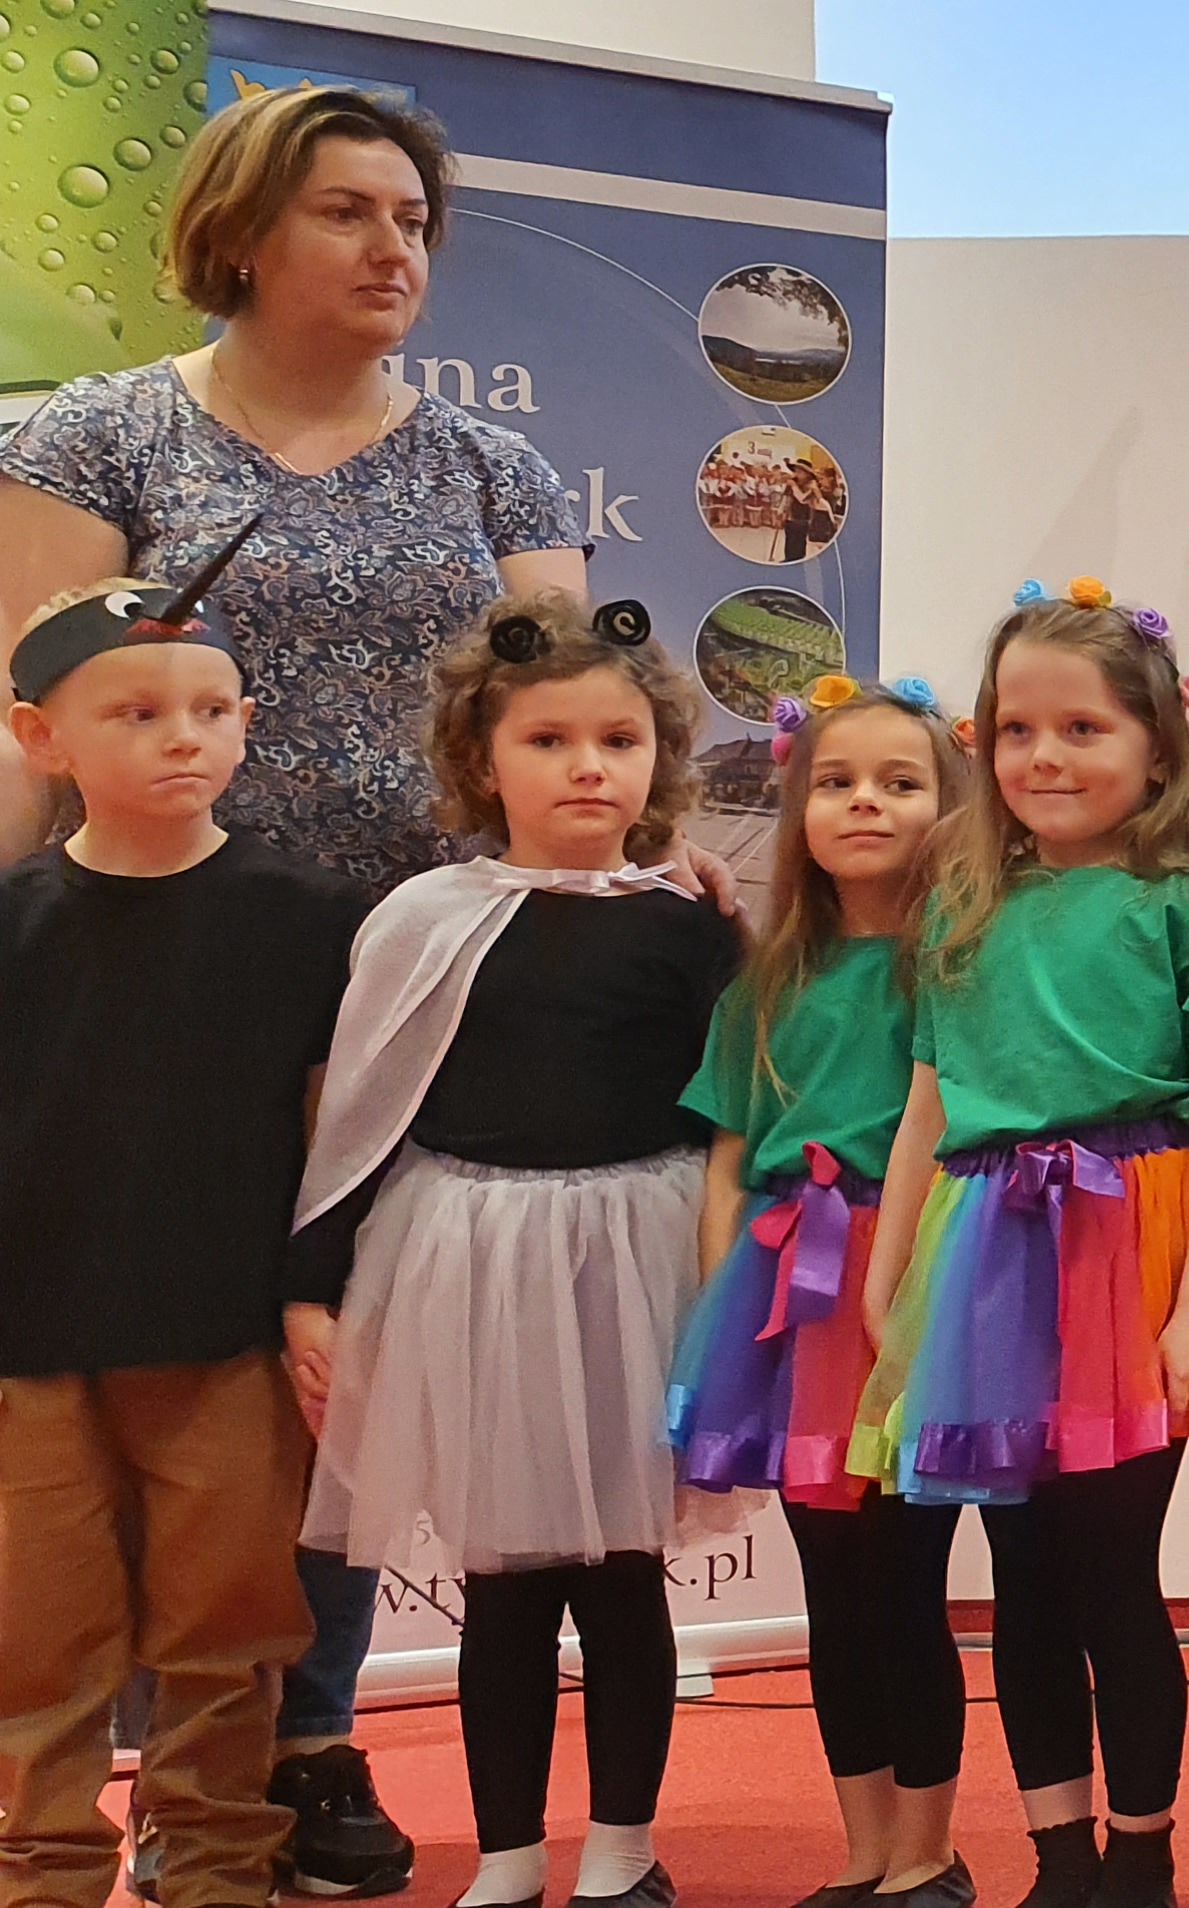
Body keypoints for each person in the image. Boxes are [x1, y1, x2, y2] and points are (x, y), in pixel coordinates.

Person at [0, 90, 635, 1891]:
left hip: (414, 986)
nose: (392, 249)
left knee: (323, 1366)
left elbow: (557, 720)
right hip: (157, 973)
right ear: (244, 231)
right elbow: (28, 714)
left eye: (414, 220)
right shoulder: (96, 433)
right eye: (349, 211)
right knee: (148, 1365)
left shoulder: (497, 471)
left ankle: (304, 1740)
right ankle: (112, 1776)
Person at [290, 594, 741, 1908]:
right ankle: (505, 1858)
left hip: (638, 1266)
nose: (587, 767)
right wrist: (310, 1290)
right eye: (548, 741)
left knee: (623, 1581)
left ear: (659, 758)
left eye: (618, 740)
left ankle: (623, 1853)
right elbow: (360, 1122)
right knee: (504, 1587)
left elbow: (736, 1113)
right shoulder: (424, 918)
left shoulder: (690, 925)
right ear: (482, 761)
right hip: (475, 1269)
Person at [850, 580, 1189, 1908]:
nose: (1045, 757)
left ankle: (1141, 1851)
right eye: (1016, 731)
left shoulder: (1188, 902)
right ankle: (1058, 1852)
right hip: (986, 1242)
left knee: (1113, 1565)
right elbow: (928, 1103)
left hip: (1132, 1228)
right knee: (1019, 1572)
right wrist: (892, 1273)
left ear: (1156, 749)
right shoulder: (960, 897)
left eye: (1082, 729)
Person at [0, 561, 367, 1908]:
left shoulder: (312, 919)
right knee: (38, 1635)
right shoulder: (12, 924)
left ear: (247, 722)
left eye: (212, 710)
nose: (183, 739)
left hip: (226, 1338)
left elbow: (337, 1139)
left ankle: (215, 1863)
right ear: (42, 736)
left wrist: (315, 1296)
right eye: (138, 713)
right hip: (32, 1345)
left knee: (229, 1626)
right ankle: (40, 1869)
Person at [659, 677, 976, 1908]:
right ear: (799, 810)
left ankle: (930, 1849)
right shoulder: (768, 981)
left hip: (905, 1285)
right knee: (833, 1590)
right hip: (787, 1296)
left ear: (951, 806)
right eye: (837, 783)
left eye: (900, 783)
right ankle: (865, 1849)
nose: (865, 804)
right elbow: (730, 1158)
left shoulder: (956, 969)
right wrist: (721, 1314)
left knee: (904, 1583)